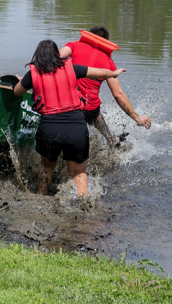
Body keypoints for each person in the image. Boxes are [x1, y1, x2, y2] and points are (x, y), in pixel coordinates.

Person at [13, 40, 125, 197]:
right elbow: (101, 72)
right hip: (76, 127)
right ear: (56, 55)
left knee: (46, 167)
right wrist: (115, 73)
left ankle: (41, 198)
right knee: (78, 172)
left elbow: (17, 92)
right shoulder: (72, 68)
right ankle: (83, 200)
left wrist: (25, 82)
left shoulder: (33, 73)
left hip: (50, 127)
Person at [58, 27, 151, 148]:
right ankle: (111, 140)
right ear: (106, 42)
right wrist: (136, 117)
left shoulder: (74, 46)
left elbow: (56, 57)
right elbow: (118, 94)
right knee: (95, 112)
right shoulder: (109, 62)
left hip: (70, 105)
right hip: (90, 110)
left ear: (89, 36)